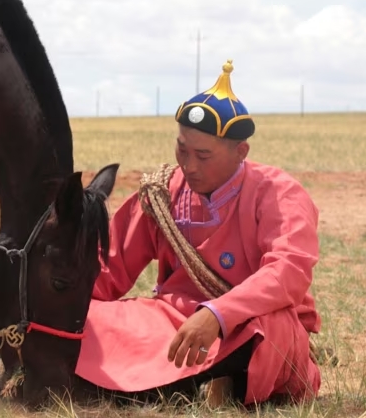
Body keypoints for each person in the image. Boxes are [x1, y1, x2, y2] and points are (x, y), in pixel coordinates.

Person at [74, 60, 322, 407]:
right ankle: (190, 382)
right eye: (182, 150)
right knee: (84, 319)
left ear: (241, 152)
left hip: (245, 323)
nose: (188, 165)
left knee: (270, 330)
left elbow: (287, 273)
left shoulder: (280, 194)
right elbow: (108, 268)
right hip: (171, 322)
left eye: (203, 155)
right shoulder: (162, 192)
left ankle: (203, 382)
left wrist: (217, 315)